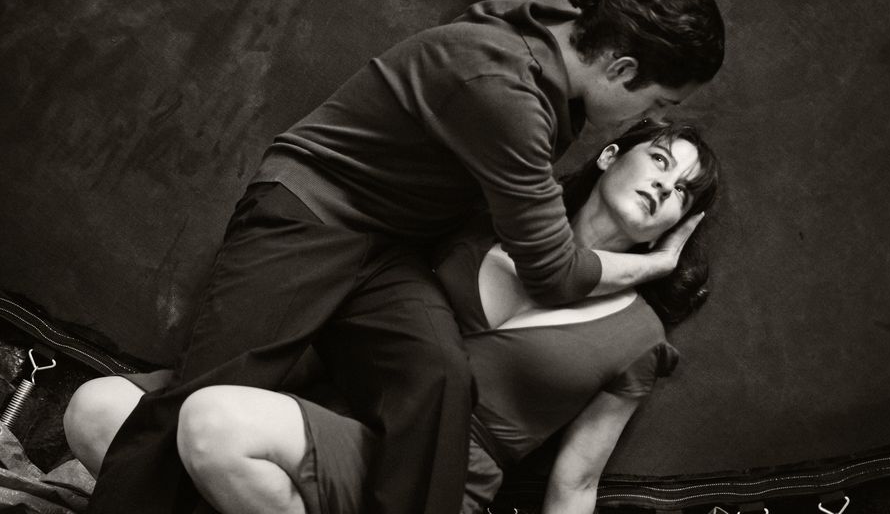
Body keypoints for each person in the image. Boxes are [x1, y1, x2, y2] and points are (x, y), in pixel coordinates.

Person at [84, 0, 725, 512]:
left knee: (438, 378)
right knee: (193, 405)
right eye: (657, 103)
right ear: (622, 68)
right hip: (310, 215)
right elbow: (555, 273)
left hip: (389, 247)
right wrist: (657, 265)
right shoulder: (511, 102)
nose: (649, 119)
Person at [66, 118, 721, 514]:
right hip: (326, 410)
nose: (664, 185)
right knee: (97, 410)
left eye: (682, 193)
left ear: (678, 225)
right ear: (610, 155)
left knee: (215, 426)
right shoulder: (488, 221)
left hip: (431, 481)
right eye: (660, 160)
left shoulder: (638, 337)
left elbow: (575, 483)